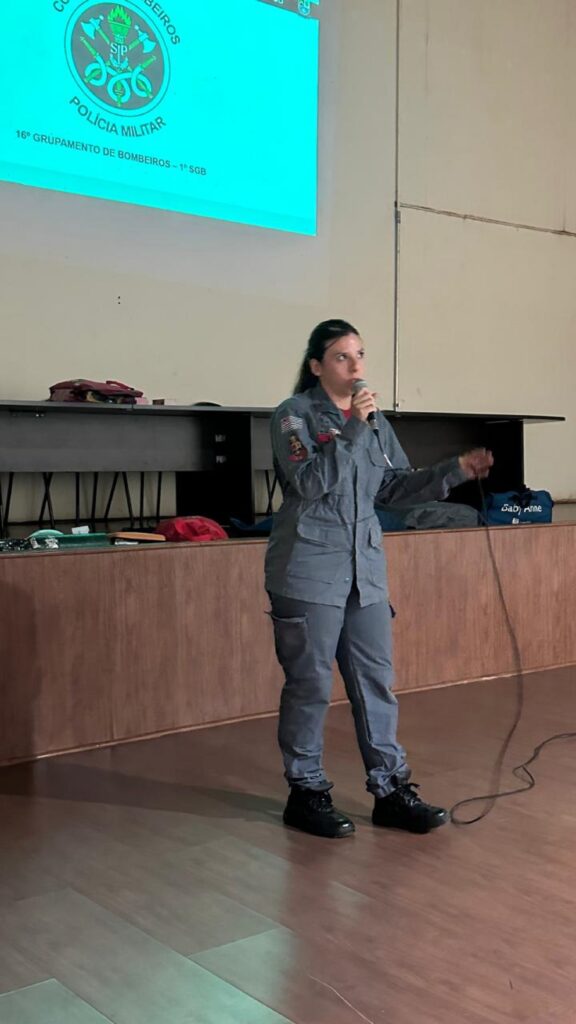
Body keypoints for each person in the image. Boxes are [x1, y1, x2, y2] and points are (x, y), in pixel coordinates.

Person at [265, 319, 493, 839]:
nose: (356, 366)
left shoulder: (374, 422)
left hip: (363, 570)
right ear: (318, 365)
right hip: (308, 568)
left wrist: (454, 470)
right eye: (343, 357)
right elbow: (309, 483)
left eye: (360, 355)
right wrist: (349, 430)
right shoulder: (292, 418)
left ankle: (390, 790)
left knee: (375, 683)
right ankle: (306, 792)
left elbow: (391, 489)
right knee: (310, 685)